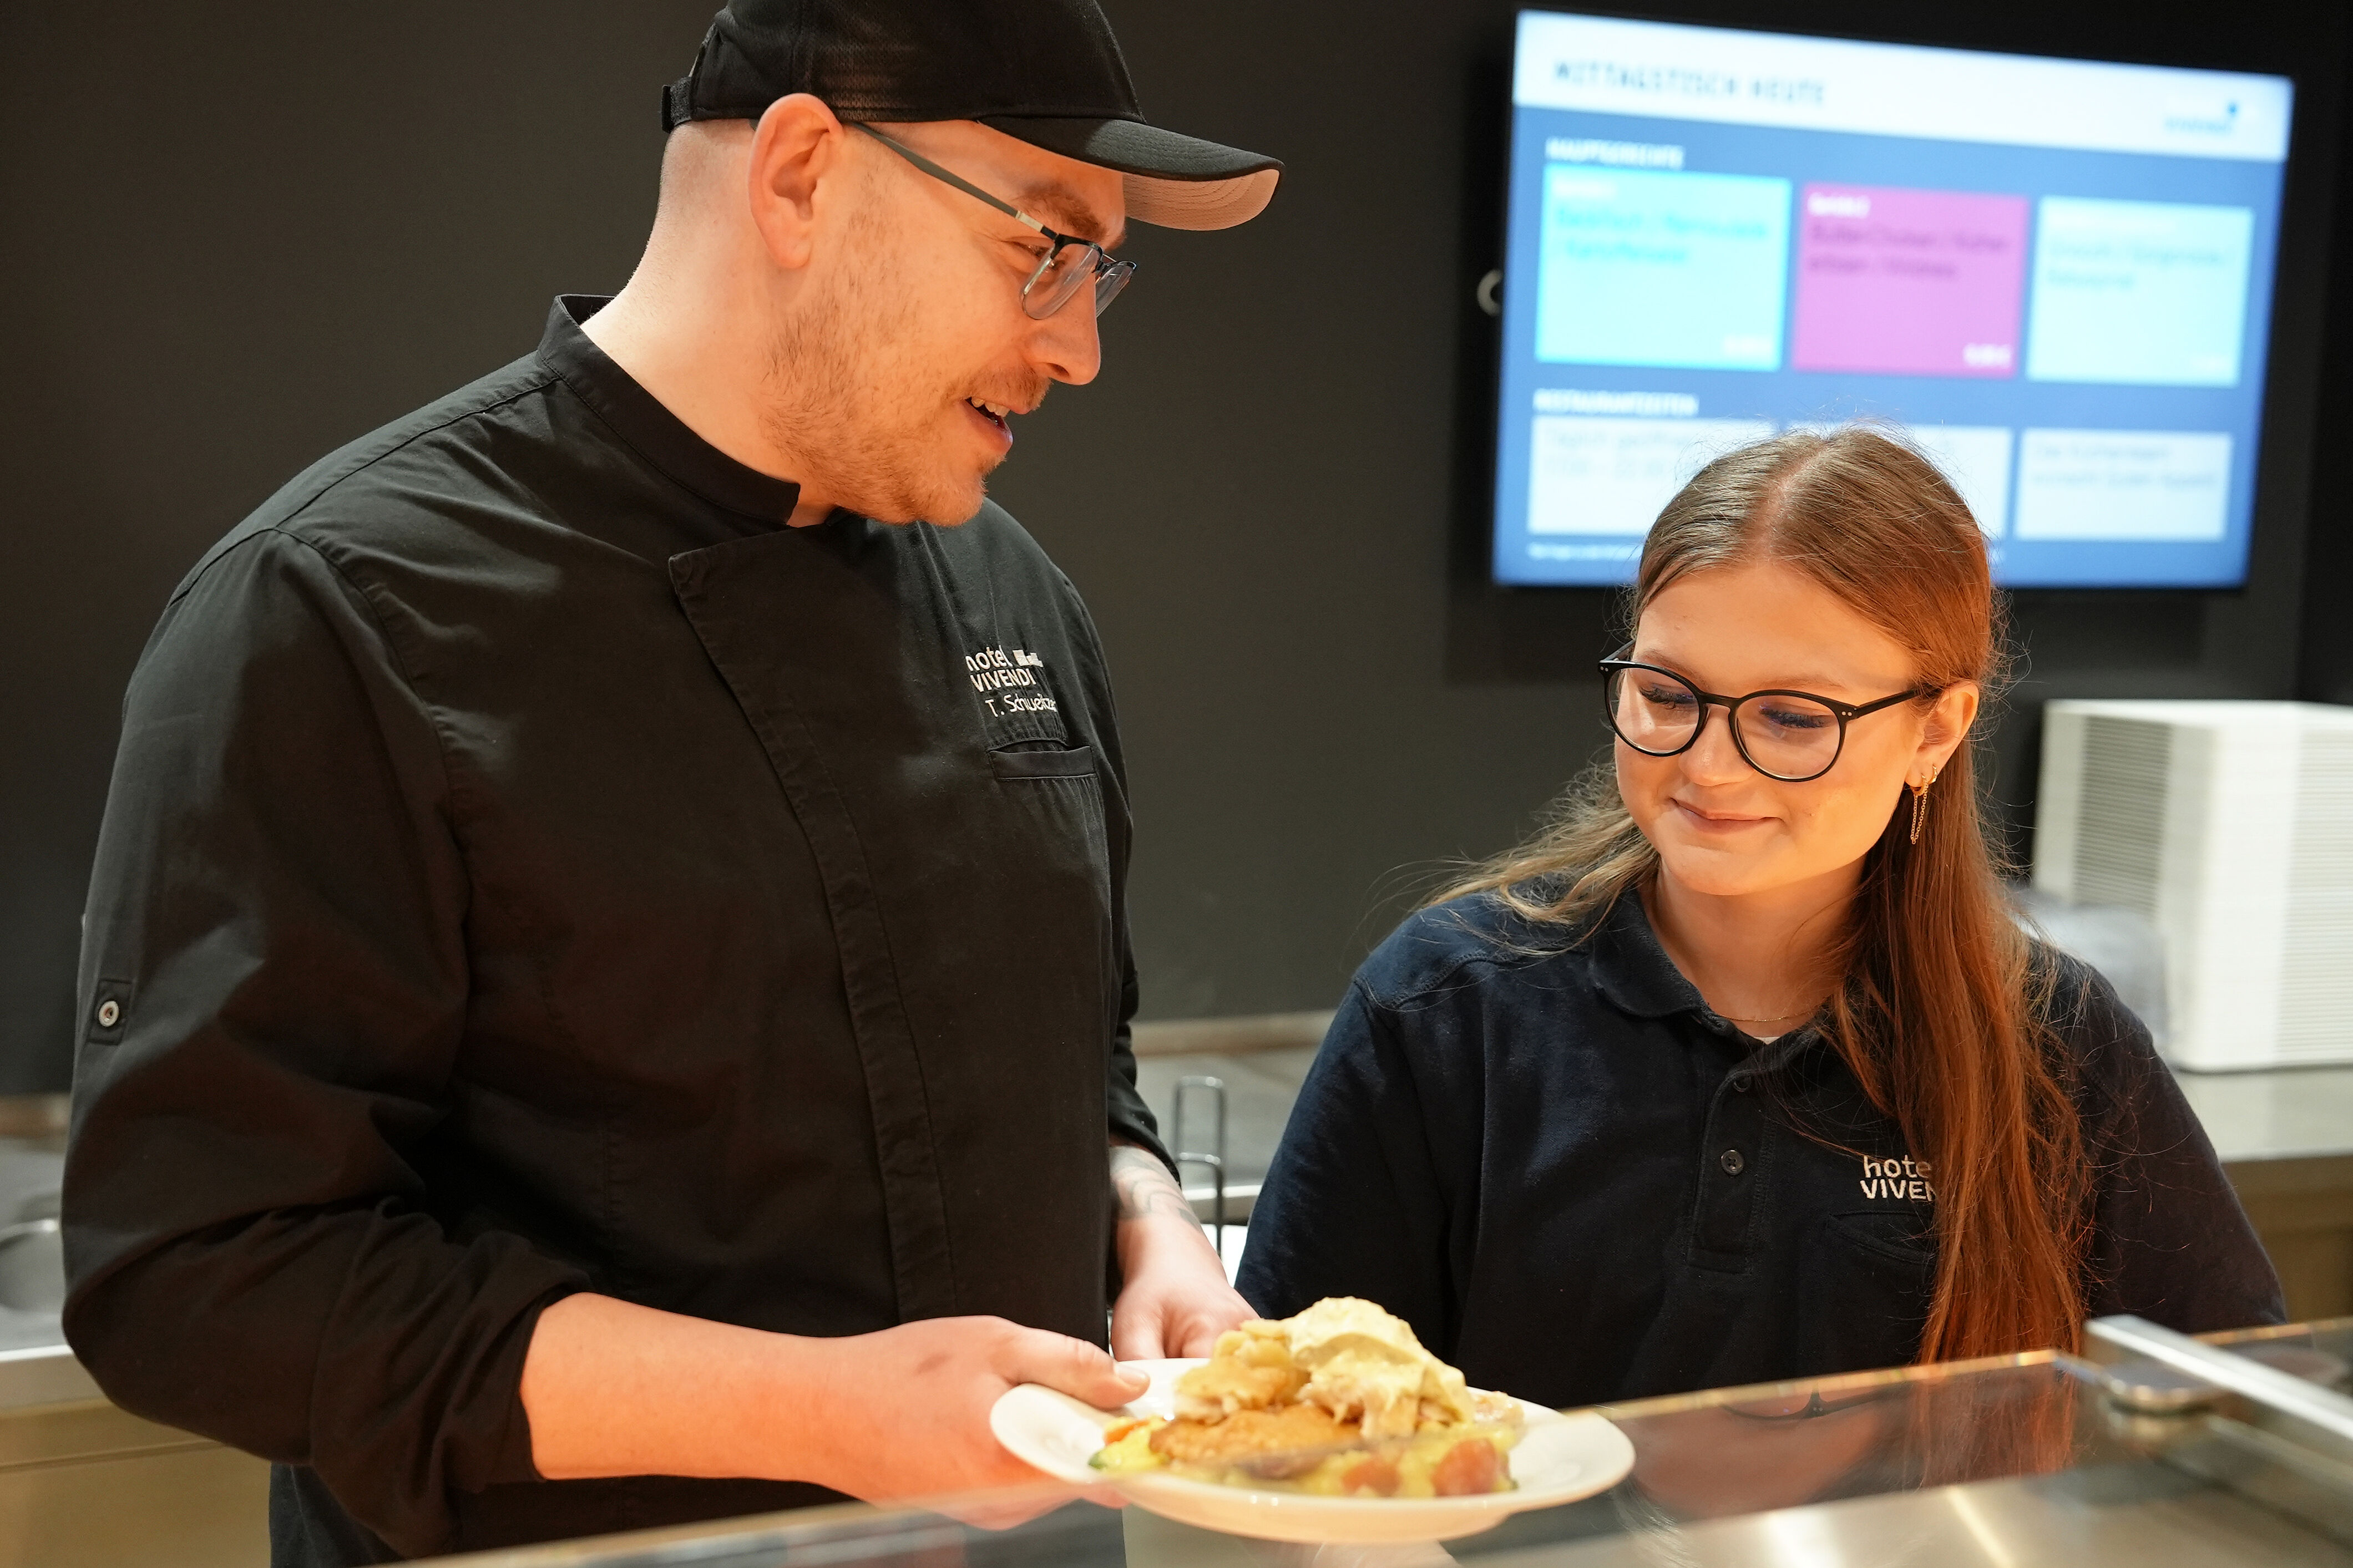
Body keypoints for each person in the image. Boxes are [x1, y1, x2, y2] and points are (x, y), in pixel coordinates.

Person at [62, 2, 1279, 1561]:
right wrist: (818, 1409)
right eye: (1044, 245)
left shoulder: (1018, 597)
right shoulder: (337, 608)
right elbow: (201, 1276)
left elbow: (1074, 1061)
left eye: (1100, 270)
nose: (1079, 345)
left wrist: (1141, 1215)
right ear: (799, 174)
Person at [1238, 428, 2283, 1409]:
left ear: (1936, 730)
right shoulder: (1446, 1006)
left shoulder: (2056, 1040)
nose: (1705, 764)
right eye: (1665, 694)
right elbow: (1282, 1410)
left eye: (1791, 717)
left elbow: (2222, 1414)